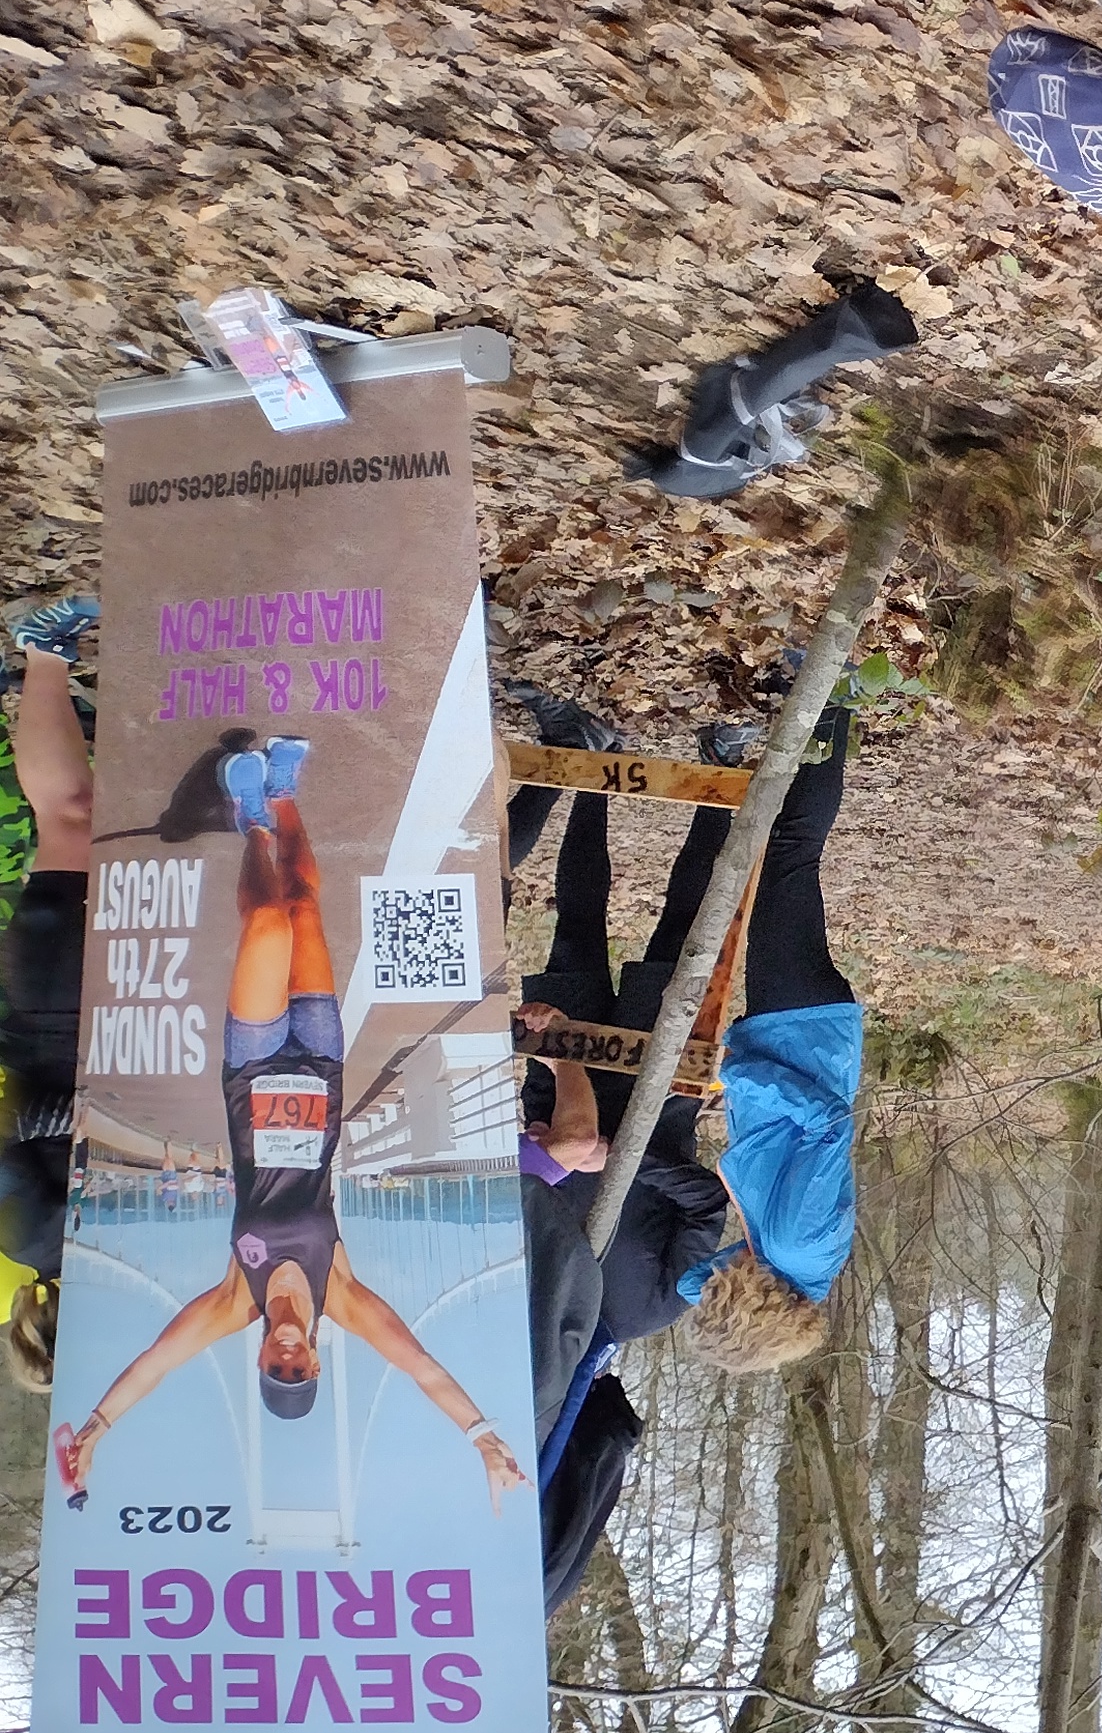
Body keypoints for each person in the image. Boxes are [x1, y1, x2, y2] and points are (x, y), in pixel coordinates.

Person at [52, 737, 529, 1513]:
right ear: (315, 1361)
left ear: (261, 1365)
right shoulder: (340, 1295)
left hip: (251, 1072)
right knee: (304, 903)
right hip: (320, 1067)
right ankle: (280, 794)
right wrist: (481, 1437)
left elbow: (156, 1362)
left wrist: (99, 1429)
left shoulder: (233, 1301)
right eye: (299, 1370)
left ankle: (250, 819)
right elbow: (419, 1366)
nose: (286, 1357)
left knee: (269, 925)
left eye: (276, 1371)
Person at [515, 701, 866, 1373]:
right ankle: (816, 711)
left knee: (578, 929)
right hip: (770, 1048)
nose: (708, 1294)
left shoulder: (773, 1263)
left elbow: (695, 1276)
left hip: (594, 1089)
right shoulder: (793, 1245)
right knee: (757, 880)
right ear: (751, 1307)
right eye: (720, 1304)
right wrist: (726, 1076)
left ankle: (599, 759)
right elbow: (823, 1128)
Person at [2, 593, 96, 1389]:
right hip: (149, 1015)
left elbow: (7, 1133)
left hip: (56, 1017)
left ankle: (42, 653)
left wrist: (69, 1120)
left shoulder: (30, 1240)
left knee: (73, 821)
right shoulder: (153, 1255)